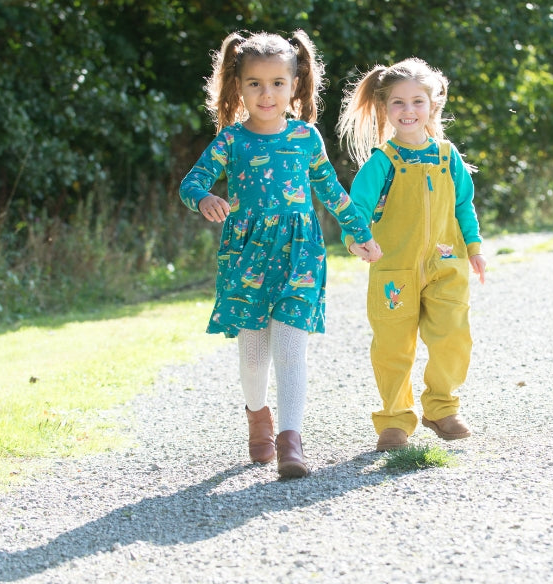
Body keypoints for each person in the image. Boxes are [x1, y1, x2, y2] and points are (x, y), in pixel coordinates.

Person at [179, 30, 382, 478]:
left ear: (295, 85)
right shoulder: (232, 141)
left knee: (290, 348)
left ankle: (291, 439)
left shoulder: (306, 137)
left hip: (300, 254)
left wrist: (360, 232)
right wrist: (204, 199)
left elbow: (331, 190)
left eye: (277, 83)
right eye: (255, 83)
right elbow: (190, 183)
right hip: (247, 256)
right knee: (253, 355)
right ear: (239, 87)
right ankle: (259, 417)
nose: (266, 93)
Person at [336, 58, 487, 452]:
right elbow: (356, 211)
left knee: (453, 339)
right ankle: (395, 420)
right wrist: (356, 240)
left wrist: (474, 248)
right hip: (394, 272)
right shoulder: (381, 162)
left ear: (432, 106)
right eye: (398, 103)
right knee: (392, 348)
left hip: (446, 266)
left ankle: (441, 407)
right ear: (386, 109)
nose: (408, 111)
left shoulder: (447, 156)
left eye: (417, 102)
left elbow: (464, 205)